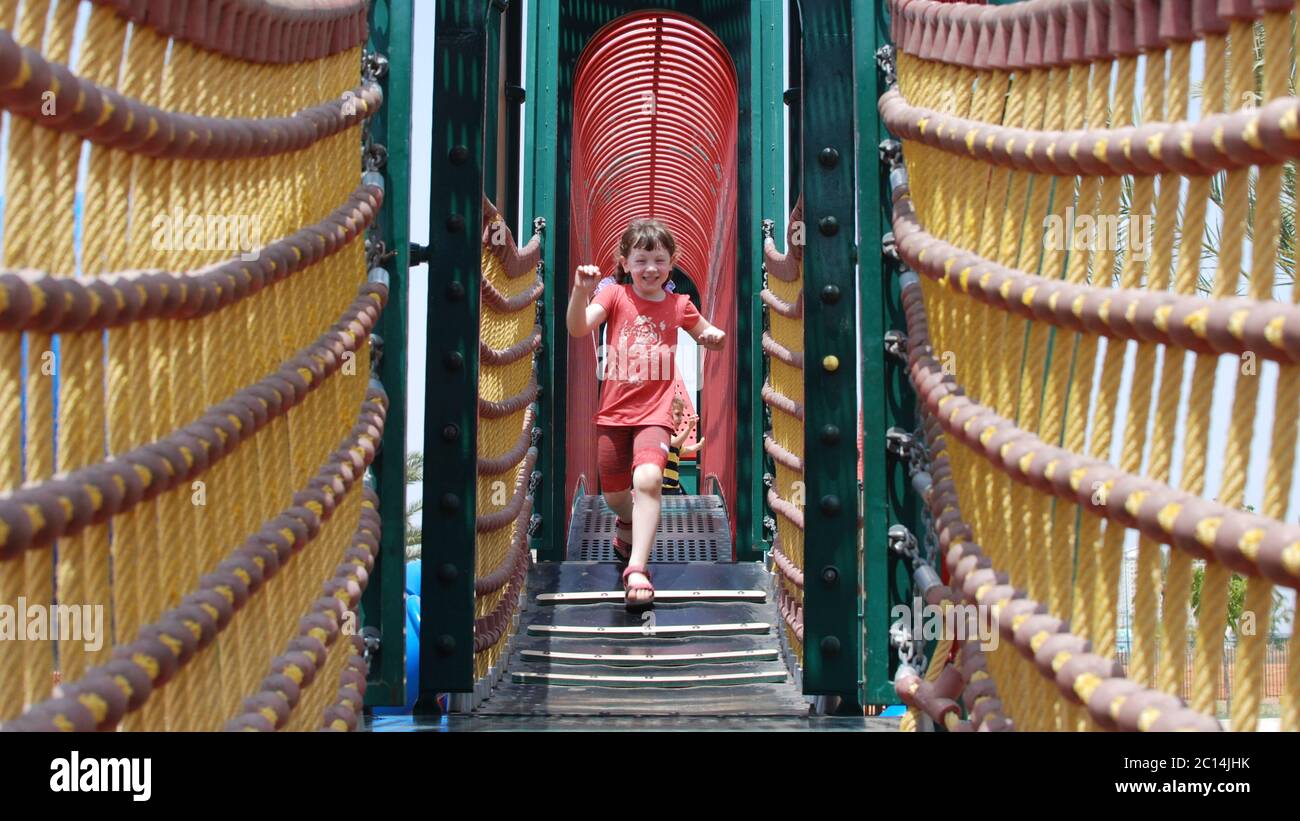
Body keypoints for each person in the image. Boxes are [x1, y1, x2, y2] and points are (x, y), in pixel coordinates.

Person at [566, 218, 725, 611]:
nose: (650, 268)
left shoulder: (679, 304)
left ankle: (637, 568)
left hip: (655, 412)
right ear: (625, 263)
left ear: (672, 264)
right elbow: (577, 327)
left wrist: (714, 337)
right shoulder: (615, 297)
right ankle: (625, 524)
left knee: (649, 480)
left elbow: (706, 332)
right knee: (616, 496)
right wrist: (579, 293)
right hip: (614, 413)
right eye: (641, 260)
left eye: (659, 259)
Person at [662, 397, 704, 496]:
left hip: (674, 486)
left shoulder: (674, 435)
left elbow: (683, 450)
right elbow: (676, 443)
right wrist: (689, 427)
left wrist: (699, 445)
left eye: (682, 415)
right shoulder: (664, 433)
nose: (680, 418)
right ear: (667, 415)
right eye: (677, 414)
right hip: (663, 487)